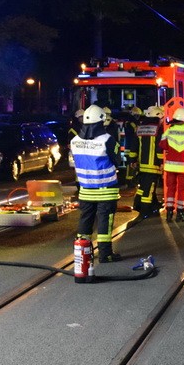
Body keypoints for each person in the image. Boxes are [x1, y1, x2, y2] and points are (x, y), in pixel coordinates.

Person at [71, 105, 123, 263]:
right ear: (102, 121)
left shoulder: (74, 141)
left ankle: (83, 251)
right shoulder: (107, 140)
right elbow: (118, 160)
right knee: (104, 222)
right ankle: (105, 254)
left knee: (85, 220)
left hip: (85, 189)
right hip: (106, 189)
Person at [159, 107, 184, 221]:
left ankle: (169, 212)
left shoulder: (169, 131)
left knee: (170, 188)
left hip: (170, 166)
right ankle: (180, 213)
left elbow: (162, 145)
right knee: (182, 190)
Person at [132, 105, 164, 220]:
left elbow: (134, 145)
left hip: (142, 165)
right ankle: (145, 211)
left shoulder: (140, 127)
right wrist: (162, 162)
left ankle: (142, 205)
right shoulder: (158, 129)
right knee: (149, 188)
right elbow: (159, 148)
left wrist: (133, 160)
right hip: (153, 166)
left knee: (144, 186)